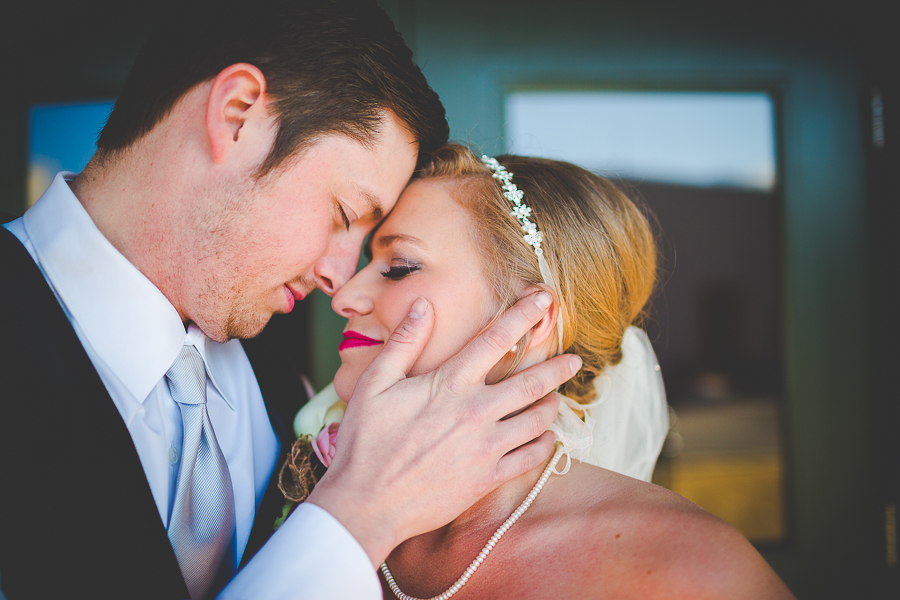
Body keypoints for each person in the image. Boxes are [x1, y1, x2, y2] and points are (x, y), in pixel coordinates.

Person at [0, 3, 579, 599]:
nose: (339, 280)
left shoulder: (290, 384)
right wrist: (361, 514)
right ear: (237, 115)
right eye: (344, 214)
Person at [290, 144, 795, 599]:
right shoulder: (307, 495)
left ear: (532, 322)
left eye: (399, 266)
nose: (345, 295)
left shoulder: (685, 568)